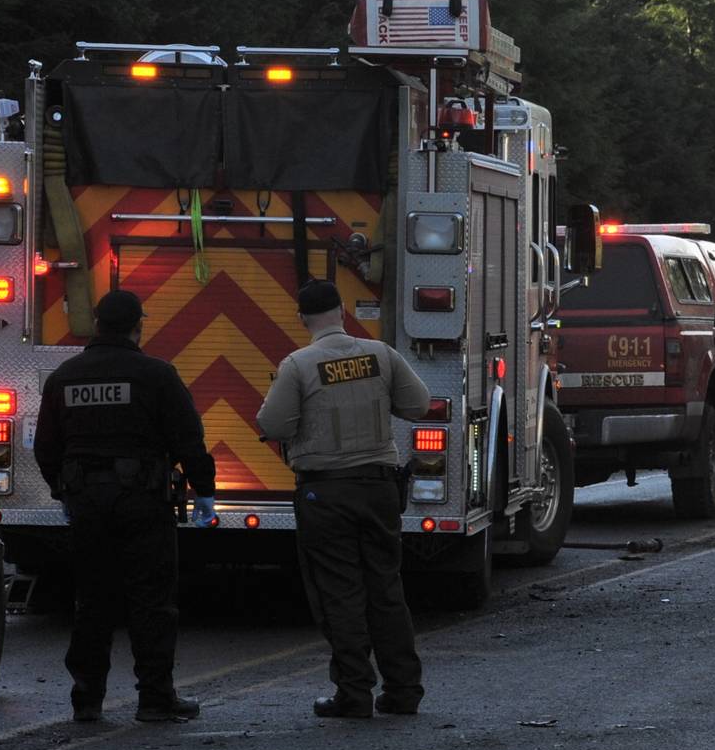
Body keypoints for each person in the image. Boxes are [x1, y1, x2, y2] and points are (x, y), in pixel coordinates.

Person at [35, 289, 214, 723]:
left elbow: (46, 448)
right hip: (143, 503)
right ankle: (155, 699)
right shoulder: (156, 375)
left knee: (92, 601)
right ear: (139, 325)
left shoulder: (65, 377)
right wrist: (204, 492)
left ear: (97, 323)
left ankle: (87, 698)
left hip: (87, 506)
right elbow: (187, 439)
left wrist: (65, 493)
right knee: (152, 603)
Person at [256, 281, 432, 719]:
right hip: (378, 489)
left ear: (303, 319)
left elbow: (273, 424)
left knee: (340, 593)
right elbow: (418, 406)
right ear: (340, 312)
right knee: (386, 589)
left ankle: (354, 694)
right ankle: (404, 690)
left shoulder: (298, 365)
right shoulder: (381, 354)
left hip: (326, 493)